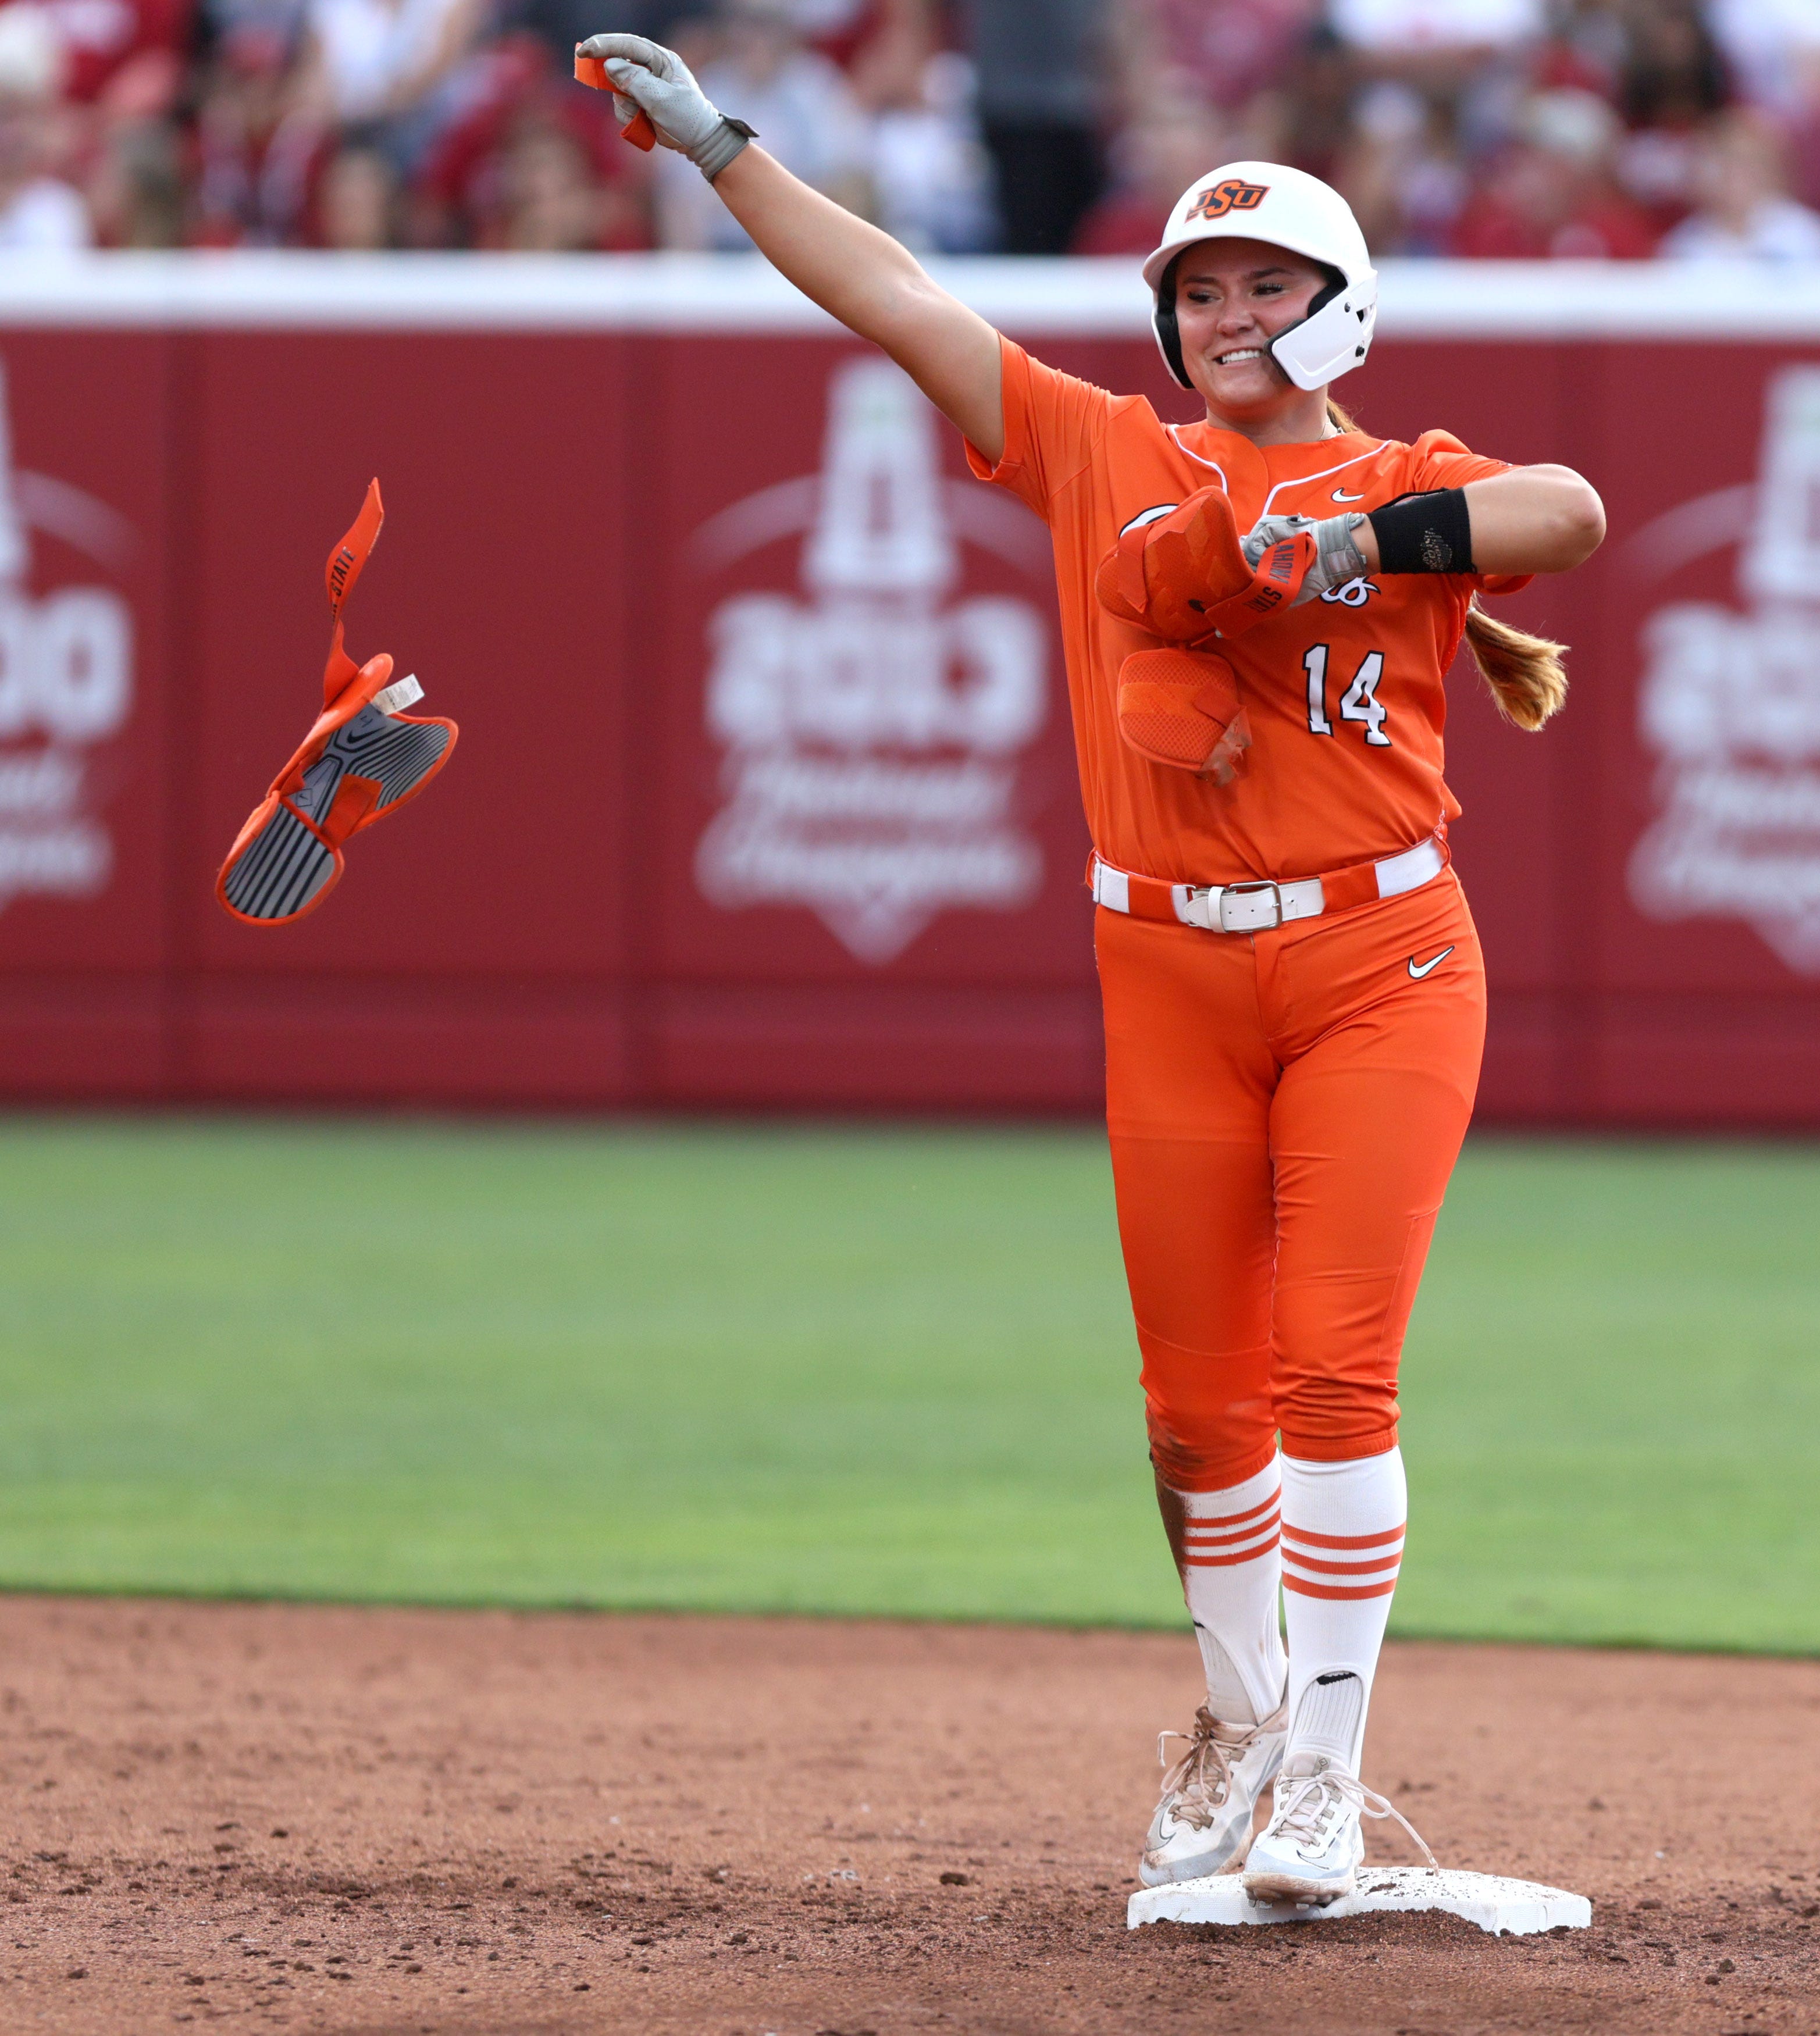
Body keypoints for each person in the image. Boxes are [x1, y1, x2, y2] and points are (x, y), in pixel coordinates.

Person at [575, 32, 1607, 1902]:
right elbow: (894, 293)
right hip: (1167, 973)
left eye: (1263, 284)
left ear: (1338, 307)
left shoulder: (1398, 470)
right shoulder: (1103, 452)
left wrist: (1361, 534)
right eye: (1199, 288)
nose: (1227, 312)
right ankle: (1235, 1713)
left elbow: (1573, 512)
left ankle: (1319, 1771)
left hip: (1380, 954)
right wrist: (725, 150)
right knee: (1193, 1403)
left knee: (1332, 1377)